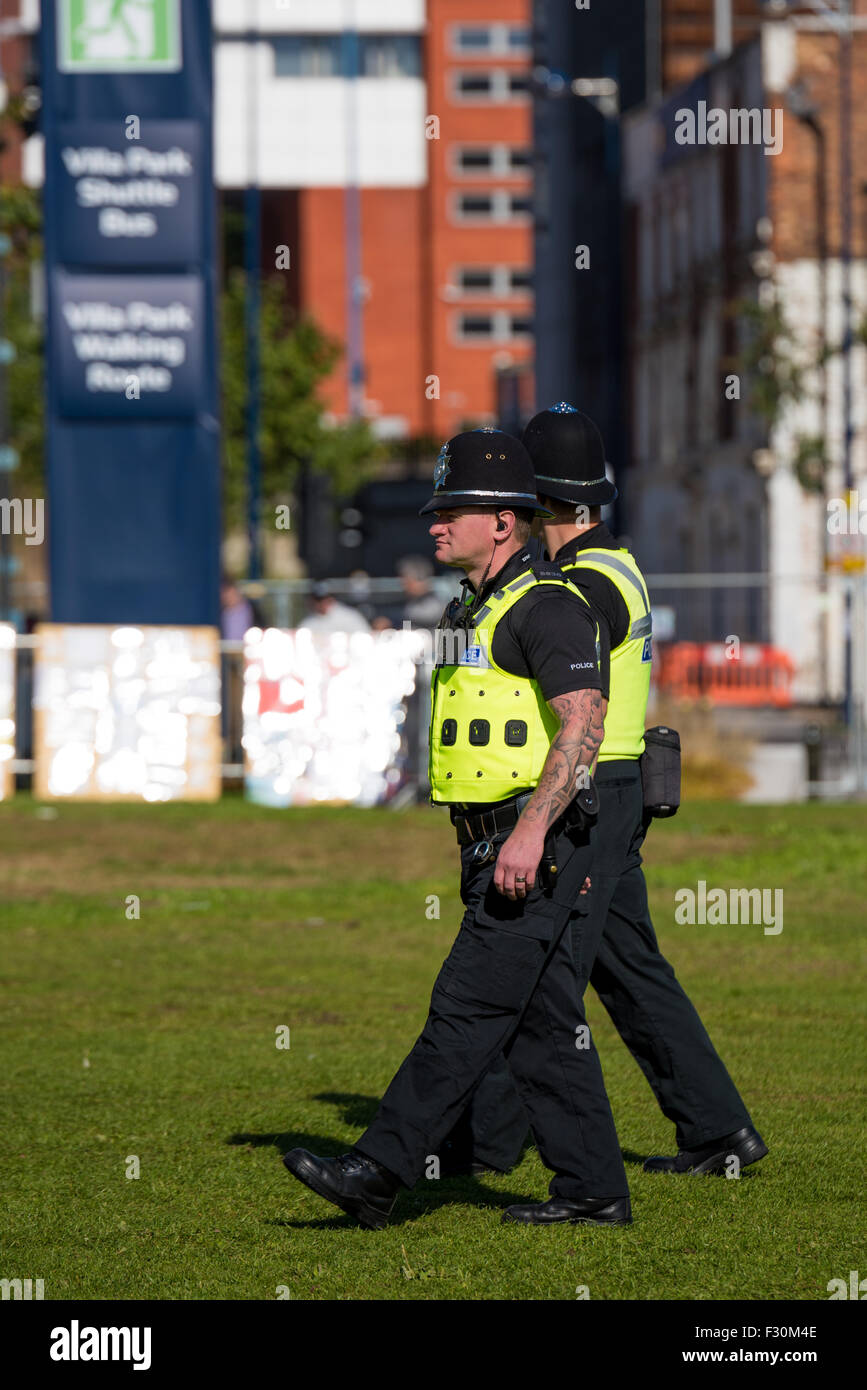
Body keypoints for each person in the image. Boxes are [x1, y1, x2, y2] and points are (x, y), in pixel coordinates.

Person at [283, 428, 632, 1229]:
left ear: (504, 522)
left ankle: (377, 1170)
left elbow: (584, 724)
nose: (435, 523)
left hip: (530, 846)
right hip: (489, 842)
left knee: (465, 1010)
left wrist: (529, 833)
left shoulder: (547, 607)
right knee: (543, 1029)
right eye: (436, 509)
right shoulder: (468, 607)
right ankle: (593, 1190)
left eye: (454, 510)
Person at [447, 403, 767, 1179]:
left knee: (535, 968)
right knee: (628, 970)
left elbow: (568, 693)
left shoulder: (578, 587)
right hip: (618, 787)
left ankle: (481, 1142)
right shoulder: (616, 565)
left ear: (539, 500)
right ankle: (717, 1128)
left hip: (589, 791)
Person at [298, 581, 371, 635]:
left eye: (325, 598)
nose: (321, 603)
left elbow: (364, 636)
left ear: (332, 598)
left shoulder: (349, 617)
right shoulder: (309, 622)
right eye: (318, 600)